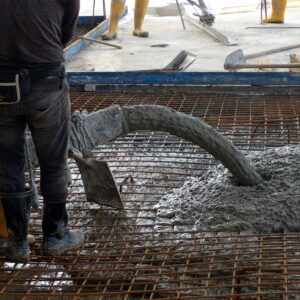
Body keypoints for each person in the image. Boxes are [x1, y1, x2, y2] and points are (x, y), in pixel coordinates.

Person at [0, 0, 84, 262]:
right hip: (46, 81)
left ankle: (15, 242)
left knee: (7, 163)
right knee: (53, 161)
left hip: (2, 85)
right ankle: (56, 236)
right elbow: (66, 31)